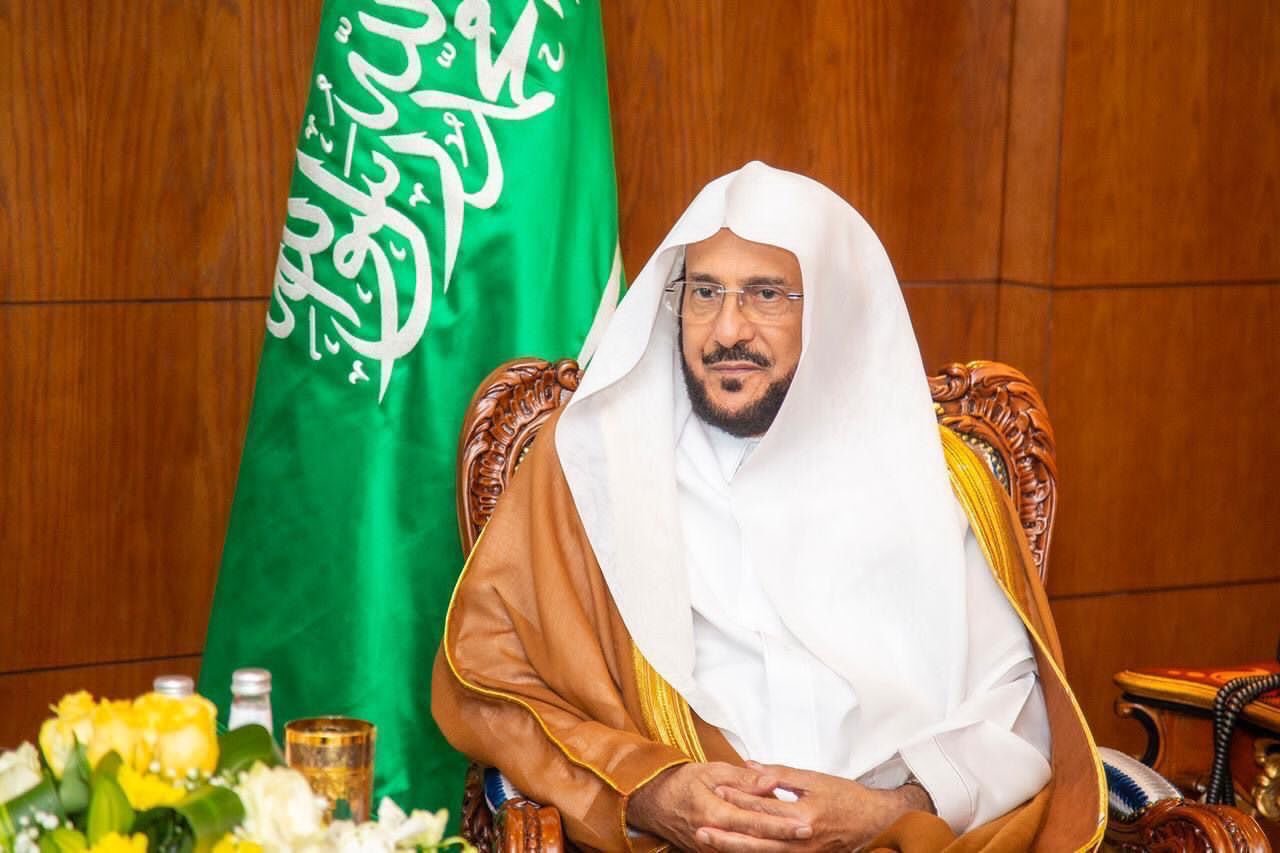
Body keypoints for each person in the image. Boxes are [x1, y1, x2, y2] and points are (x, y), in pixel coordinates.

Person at [432, 162, 1106, 852]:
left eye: (765, 294)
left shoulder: (941, 481)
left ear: (830, 310)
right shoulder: (589, 464)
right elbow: (489, 676)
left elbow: (1015, 709)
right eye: (705, 293)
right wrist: (651, 791)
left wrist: (889, 809)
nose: (728, 329)